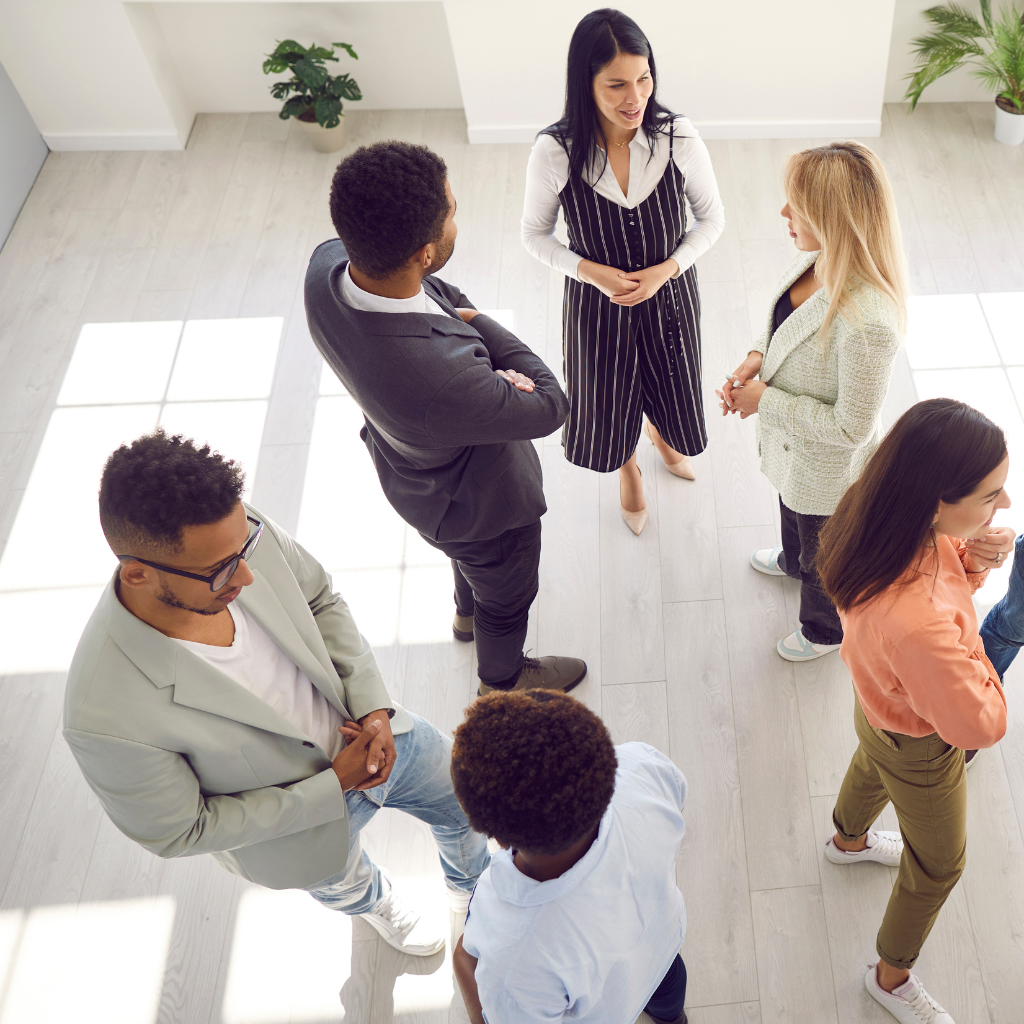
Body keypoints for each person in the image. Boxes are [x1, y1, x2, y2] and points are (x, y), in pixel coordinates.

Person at [64, 431, 490, 956]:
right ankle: (375, 903)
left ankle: (476, 893)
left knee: (466, 805)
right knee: (344, 883)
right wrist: (334, 784)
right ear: (138, 573)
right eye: (221, 570)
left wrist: (374, 709)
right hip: (296, 828)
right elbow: (182, 831)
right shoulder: (100, 713)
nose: (245, 572)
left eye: (245, 548)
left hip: (379, 731)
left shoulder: (234, 537)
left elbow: (320, 596)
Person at [305, 140, 586, 697]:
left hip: (416, 480)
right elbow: (552, 402)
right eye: (452, 212)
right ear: (425, 252)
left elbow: (439, 295)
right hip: (484, 509)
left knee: (468, 567)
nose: (458, 218)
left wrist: (470, 339)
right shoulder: (444, 381)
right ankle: (501, 681)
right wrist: (479, 321)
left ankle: (464, 617)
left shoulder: (326, 267)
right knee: (505, 598)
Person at [815, 399, 1012, 1024]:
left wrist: (968, 560)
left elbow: (931, 592)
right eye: (990, 495)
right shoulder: (920, 624)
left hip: (876, 701)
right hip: (923, 745)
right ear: (934, 501)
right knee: (941, 864)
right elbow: (978, 724)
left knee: (871, 761)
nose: (1002, 507)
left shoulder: (870, 514)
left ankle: (846, 841)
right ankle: (891, 976)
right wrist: (983, 657)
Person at [522, 8, 725, 536]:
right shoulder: (555, 151)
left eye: (644, 78)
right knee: (607, 397)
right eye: (616, 84)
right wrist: (592, 271)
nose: (634, 97)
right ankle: (628, 467)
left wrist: (667, 270)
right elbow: (534, 236)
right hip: (596, 303)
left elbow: (713, 220)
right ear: (584, 82)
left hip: (670, 296)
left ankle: (661, 436)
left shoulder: (676, 136)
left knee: (670, 382)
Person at [717, 141, 907, 661]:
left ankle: (825, 632)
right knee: (791, 512)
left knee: (824, 551)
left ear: (833, 216)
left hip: (827, 467)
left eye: (795, 206)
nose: (783, 214)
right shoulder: (817, 260)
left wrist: (765, 401)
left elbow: (851, 428)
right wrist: (758, 356)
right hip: (794, 454)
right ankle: (790, 558)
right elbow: (782, 321)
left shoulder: (869, 323)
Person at [449, 690, 689, 1024]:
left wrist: (461, 957)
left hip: (604, 1011)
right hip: (662, 947)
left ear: (499, 838)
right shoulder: (640, 767)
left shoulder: (516, 956)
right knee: (670, 997)